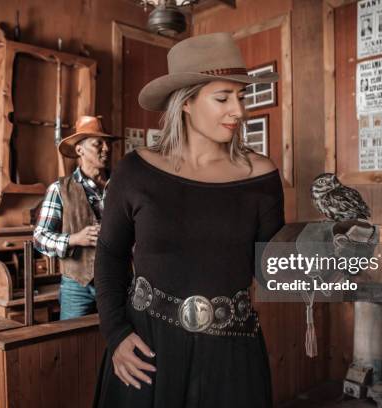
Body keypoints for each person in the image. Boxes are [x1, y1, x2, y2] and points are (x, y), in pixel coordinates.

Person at [93, 32, 284, 408]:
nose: (239, 111)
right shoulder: (135, 171)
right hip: (146, 350)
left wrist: (326, 256)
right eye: (223, 97)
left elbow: (271, 271)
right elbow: (110, 254)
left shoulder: (260, 176)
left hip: (232, 352)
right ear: (186, 103)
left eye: (241, 97)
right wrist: (116, 333)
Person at [33, 115, 122, 320]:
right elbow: (39, 237)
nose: (106, 148)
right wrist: (74, 239)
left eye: (107, 143)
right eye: (98, 143)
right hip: (76, 286)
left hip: (118, 281)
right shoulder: (59, 189)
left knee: (118, 342)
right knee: (73, 344)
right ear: (79, 150)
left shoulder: (121, 186)